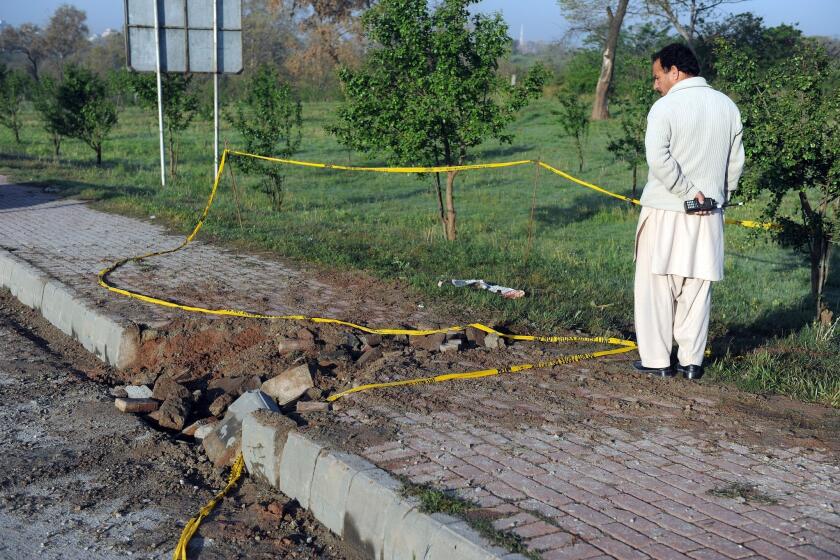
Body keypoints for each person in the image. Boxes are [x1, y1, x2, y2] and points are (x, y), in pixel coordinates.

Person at [633, 43, 744, 380]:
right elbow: (735, 163)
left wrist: (686, 192)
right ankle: (691, 362)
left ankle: (658, 362)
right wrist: (715, 198)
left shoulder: (665, 107)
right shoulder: (727, 106)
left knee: (657, 287)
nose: (655, 84)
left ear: (674, 72)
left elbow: (659, 159)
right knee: (696, 289)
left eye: (657, 76)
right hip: (709, 212)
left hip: (668, 207)